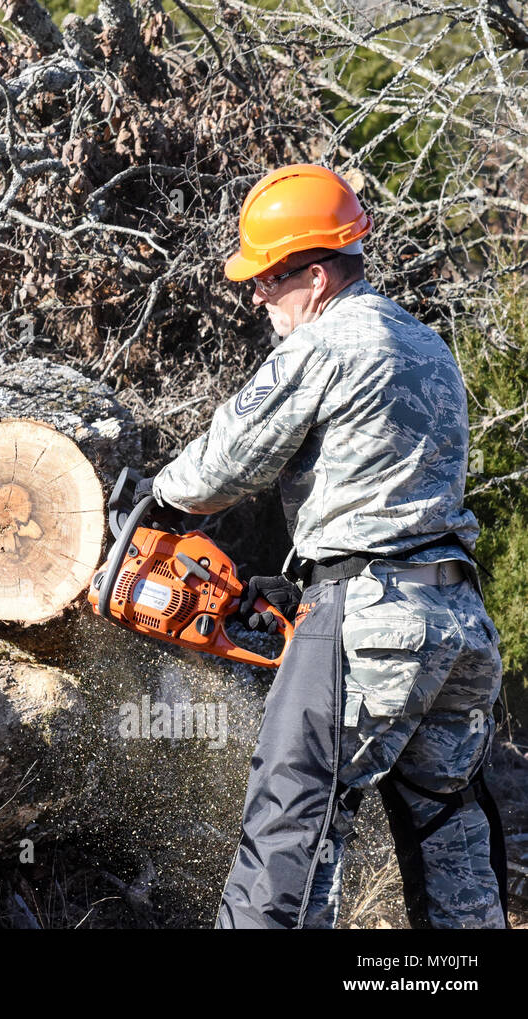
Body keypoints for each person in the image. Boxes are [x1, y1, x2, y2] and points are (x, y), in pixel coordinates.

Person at [138, 163, 508, 929]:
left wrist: (156, 501)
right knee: (453, 830)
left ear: (313, 273)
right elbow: (387, 495)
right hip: (459, 621)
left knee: (293, 821)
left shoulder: (327, 342)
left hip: (369, 620)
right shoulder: (426, 342)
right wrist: (306, 578)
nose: (257, 296)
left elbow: (225, 462)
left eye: (267, 279)